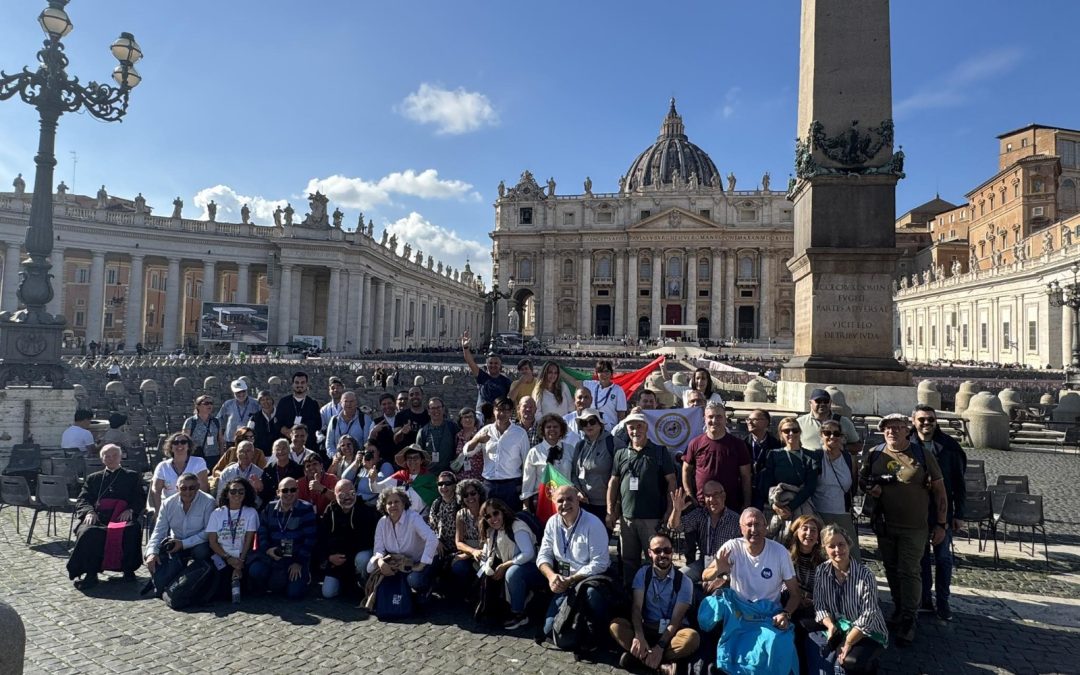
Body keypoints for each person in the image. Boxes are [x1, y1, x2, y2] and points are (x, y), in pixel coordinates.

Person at [859, 413, 947, 647]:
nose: (892, 431)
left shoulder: (922, 455)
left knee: (909, 570)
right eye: (888, 428)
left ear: (907, 430)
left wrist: (941, 523)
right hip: (885, 524)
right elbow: (863, 481)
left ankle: (910, 616)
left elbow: (939, 491)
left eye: (898, 427)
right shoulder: (874, 453)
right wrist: (872, 489)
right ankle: (899, 609)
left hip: (915, 527)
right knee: (891, 568)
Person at [699, 508, 801, 675]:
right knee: (734, 652)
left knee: (775, 643)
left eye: (758, 525)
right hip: (739, 612)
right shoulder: (732, 547)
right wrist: (719, 569)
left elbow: (795, 594)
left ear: (766, 526)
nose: (754, 530)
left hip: (769, 614)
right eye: (749, 525)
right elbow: (705, 575)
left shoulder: (779, 552)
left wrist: (786, 614)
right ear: (741, 528)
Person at [609, 533, 700, 674]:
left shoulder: (684, 581)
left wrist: (661, 646)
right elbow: (637, 609)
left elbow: (676, 620)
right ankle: (661, 665)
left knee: (691, 639)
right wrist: (639, 636)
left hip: (671, 632)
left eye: (667, 550)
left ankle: (641, 657)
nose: (663, 554)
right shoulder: (643, 574)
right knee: (616, 626)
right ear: (650, 553)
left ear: (672, 552)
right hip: (647, 628)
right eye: (658, 551)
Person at [536, 485, 612, 647]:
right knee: (549, 630)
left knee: (592, 594)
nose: (565, 504)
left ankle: (600, 630)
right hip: (564, 582)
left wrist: (572, 579)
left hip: (589, 580)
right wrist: (551, 576)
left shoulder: (593, 524)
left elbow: (600, 563)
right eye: (560, 500)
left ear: (578, 500)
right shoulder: (552, 523)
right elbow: (543, 555)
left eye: (569, 499)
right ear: (554, 503)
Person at [910, 404, 966, 621]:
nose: (926, 423)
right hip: (917, 512)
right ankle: (924, 599)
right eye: (922, 419)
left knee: (943, 558)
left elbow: (960, 484)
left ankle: (943, 601)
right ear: (913, 421)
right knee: (921, 558)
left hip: (943, 512)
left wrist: (959, 514)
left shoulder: (950, 446)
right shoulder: (908, 445)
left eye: (931, 420)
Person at [607, 412, 677, 587]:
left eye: (639, 426)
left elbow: (671, 482)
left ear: (646, 427)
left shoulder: (660, 452)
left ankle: (655, 596)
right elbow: (613, 483)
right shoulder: (621, 454)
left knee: (654, 560)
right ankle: (631, 598)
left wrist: (670, 511)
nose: (635, 430)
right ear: (626, 429)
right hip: (627, 519)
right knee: (628, 561)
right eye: (631, 427)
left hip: (653, 520)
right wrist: (610, 510)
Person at [811, 524, 889, 673]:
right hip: (841, 627)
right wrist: (829, 625)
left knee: (847, 661)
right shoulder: (821, 571)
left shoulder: (865, 575)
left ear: (848, 544)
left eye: (841, 544)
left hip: (868, 631)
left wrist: (847, 642)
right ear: (825, 549)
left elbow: (869, 615)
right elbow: (819, 605)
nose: (837, 550)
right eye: (831, 546)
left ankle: (870, 665)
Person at [67, 444, 147, 589]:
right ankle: (91, 574)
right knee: (88, 532)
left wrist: (131, 510)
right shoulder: (93, 478)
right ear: (102, 459)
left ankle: (128, 571)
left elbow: (140, 497)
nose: (110, 459)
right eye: (107, 456)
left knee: (132, 530)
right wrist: (89, 512)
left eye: (114, 455)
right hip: (99, 518)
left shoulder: (132, 476)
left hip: (122, 517)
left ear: (121, 456)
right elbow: (83, 499)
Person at [144, 472, 215, 597]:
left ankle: (198, 580)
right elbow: (159, 530)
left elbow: (208, 532)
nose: (188, 492)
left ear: (198, 487)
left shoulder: (208, 501)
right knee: (154, 555)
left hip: (198, 543)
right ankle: (165, 578)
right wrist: (151, 552)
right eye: (183, 488)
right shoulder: (167, 503)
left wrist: (183, 544)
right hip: (176, 543)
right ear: (177, 488)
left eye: (192, 488)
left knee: (202, 552)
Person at [478, 497, 545, 629]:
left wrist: (505, 565)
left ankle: (519, 614)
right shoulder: (492, 531)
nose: (493, 518)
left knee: (512, 573)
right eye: (488, 516)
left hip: (534, 567)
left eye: (495, 513)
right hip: (513, 564)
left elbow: (528, 553)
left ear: (503, 511)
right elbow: (488, 553)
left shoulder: (517, 526)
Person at [368, 486, 441, 603]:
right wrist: (380, 561)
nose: (393, 505)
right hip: (401, 564)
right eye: (389, 503)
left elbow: (432, 539)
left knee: (414, 580)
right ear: (384, 507)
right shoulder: (382, 523)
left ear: (403, 503)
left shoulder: (413, 518)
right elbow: (378, 549)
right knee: (371, 568)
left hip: (424, 560)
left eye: (396, 501)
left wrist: (421, 564)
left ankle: (428, 587)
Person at [249, 477, 317, 600]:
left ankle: (304, 577)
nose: (289, 493)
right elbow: (262, 532)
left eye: (292, 490)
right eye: (285, 490)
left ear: (297, 491)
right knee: (255, 570)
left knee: (294, 594)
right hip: (273, 557)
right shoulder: (269, 508)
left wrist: (299, 562)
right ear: (278, 492)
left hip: (295, 558)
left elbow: (310, 539)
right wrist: (267, 549)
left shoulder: (306, 509)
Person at [684, 401, 752, 514]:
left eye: (719, 417)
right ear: (704, 419)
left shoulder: (738, 444)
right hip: (702, 505)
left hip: (730, 505)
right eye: (710, 417)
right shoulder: (695, 443)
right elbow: (686, 470)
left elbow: (746, 476)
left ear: (725, 419)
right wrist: (690, 495)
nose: (714, 421)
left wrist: (747, 503)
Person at [464, 396, 530, 511]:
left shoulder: (520, 433)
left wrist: (525, 492)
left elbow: (527, 464)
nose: (501, 413)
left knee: (511, 520)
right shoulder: (486, 430)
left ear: (511, 412)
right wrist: (477, 440)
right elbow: (467, 452)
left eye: (506, 410)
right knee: (489, 520)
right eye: (498, 409)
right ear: (494, 411)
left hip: (511, 485)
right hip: (489, 485)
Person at [667, 482, 740, 586]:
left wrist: (725, 578)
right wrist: (676, 510)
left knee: (717, 594)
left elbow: (744, 555)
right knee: (676, 579)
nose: (711, 499)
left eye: (715, 495)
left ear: (723, 496)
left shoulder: (735, 520)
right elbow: (674, 527)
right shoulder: (700, 514)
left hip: (727, 567)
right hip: (703, 562)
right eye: (708, 496)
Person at [319, 479, 380, 601]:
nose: (348, 498)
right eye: (342, 495)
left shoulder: (366, 510)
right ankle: (345, 586)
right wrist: (329, 557)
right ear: (335, 495)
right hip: (336, 561)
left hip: (356, 557)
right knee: (327, 592)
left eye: (351, 493)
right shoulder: (330, 511)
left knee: (362, 558)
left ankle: (365, 585)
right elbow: (321, 538)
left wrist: (347, 555)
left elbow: (367, 541)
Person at [762, 417, 820, 541]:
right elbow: (767, 482)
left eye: (794, 430)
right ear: (781, 434)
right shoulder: (774, 455)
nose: (791, 434)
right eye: (786, 431)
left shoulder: (811, 456)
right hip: (778, 504)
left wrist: (790, 507)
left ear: (800, 432)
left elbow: (811, 486)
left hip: (801, 505)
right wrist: (775, 506)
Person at [206, 478, 259, 602]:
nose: (237, 495)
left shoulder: (251, 512)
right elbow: (212, 542)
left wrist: (239, 563)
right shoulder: (216, 514)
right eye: (233, 491)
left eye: (241, 492)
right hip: (223, 556)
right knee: (222, 592)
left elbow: (248, 540)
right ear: (227, 494)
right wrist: (228, 558)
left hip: (243, 557)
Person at [815, 419, 860, 561]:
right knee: (823, 557)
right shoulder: (815, 457)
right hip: (819, 513)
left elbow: (853, 487)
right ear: (821, 435)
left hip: (843, 513)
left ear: (842, 437)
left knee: (852, 556)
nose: (832, 437)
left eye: (836, 433)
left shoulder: (849, 459)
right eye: (827, 433)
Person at [788, 514, 827, 664]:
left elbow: (827, 587)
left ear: (818, 536)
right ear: (796, 531)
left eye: (813, 530)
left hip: (815, 606)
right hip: (790, 601)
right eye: (805, 529)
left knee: (802, 627)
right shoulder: (785, 555)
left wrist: (812, 600)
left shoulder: (824, 559)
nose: (809, 534)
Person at [521, 413, 576, 511]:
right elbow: (528, 482)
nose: (552, 429)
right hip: (542, 500)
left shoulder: (570, 450)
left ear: (561, 430)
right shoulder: (534, 452)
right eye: (548, 427)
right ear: (543, 430)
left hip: (567, 500)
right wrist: (526, 506)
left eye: (555, 427)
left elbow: (574, 476)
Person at [570, 408, 616, 523]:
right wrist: (578, 491)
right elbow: (573, 473)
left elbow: (619, 476)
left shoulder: (613, 443)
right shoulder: (580, 445)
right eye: (584, 423)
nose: (588, 425)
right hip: (583, 504)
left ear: (600, 424)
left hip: (606, 506)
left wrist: (615, 506)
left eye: (592, 421)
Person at [366, 444, 437, 512]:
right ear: (406, 461)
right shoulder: (400, 476)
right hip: (402, 521)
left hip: (422, 521)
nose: (412, 460)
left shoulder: (430, 479)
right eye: (409, 458)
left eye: (416, 457)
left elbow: (435, 502)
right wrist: (372, 480)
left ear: (421, 460)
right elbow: (376, 488)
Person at [151, 433, 210, 511]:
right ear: (171, 447)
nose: (179, 445)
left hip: (193, 506)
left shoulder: (199, 462)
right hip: (169, 508)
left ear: (188, 446)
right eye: (175, 443)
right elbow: (156, 490)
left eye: (183, 442)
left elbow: (203, 487)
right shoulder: (162, 466)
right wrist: (158, 512)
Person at [795, 389, 860, 457]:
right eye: (818, 401)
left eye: (826, 401)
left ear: (830, 403)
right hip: (809, 464)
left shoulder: (844, 422)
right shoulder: (799, 423)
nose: (822, 404)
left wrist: (842, 447)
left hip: (835, 463)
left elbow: (858, 446)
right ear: (810, 403)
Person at [450, 479, 487, 591]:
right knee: (459, 567)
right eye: (465, 495)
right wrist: (472, 552)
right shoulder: (461, 514)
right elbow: (459, 542)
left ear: (479, 493)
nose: (470, 497)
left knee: (485, 572)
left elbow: (491, 540)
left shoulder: (487, 511)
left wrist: (476, 552)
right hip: (470, 551)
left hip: (487, 552)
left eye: (473, 493)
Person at [742, 409, 783, 510]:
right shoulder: (742, 444)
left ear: (766, 422)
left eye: (754, 419)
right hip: (747, 493)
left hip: (768, 494)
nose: (749, 422)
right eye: (748, 419)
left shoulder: (777, 445)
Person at [274, 371, 321, 453]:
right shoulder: (284, 402)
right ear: (292, 384)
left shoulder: (313, 403)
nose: (299, 385)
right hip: (287, 446)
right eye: (297, 382)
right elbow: (277, 422)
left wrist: (300, 435)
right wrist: (286, 431)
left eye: (302, 382)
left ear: (307, 384)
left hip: (307, 446)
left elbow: (317, 424)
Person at [462, 331, 512, 406]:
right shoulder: (482, 376)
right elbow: (470, 361)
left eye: (496, 363)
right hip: (482, 413)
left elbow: (511, 398)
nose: (493, 365)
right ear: (486, 364)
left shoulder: (506, 381)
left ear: (500, 365)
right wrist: (465, 348)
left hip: (497, 413)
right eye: (490, 363)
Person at [416, 397, 458, 475]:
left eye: (438, 407)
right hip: (429, 474)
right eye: (433, 408)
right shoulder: (423, 432)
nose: (436, 410)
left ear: (443, 409)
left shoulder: (453, 427)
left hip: (449, 473)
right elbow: (419, 455)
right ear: (428, 411)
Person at [183, 394, 225, 469]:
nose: (209, 405)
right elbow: (185, 440)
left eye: (211, 403)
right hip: (197, 456)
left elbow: (220, 440)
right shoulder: (191, 422)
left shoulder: (216, 421)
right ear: (198, 406)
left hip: (214, 456)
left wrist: (222, 456)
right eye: (206, 403)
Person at [583, 359, 627, 430]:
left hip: (609, 430)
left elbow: (621, 415)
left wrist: (619, 432)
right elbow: (573, 382)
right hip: (591, 429)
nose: (604, 375)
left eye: (607, 371)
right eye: (601, 371)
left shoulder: (618, 390)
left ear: (611, 373)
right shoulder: (591, 385)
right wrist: (561, 371)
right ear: (597, 373)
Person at [325, 391, 369, 460]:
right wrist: (335, 457)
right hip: (338, 461)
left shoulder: (364, 419)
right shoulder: (334, 420)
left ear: (356, 403)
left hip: (357, 460)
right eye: (346, 401)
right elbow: (329, 443)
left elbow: (367, 442)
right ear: (341, 403)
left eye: (351, 401)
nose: (349, 404)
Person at [426, 471, 461, 558]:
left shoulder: (461, 503)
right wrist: (436, 541)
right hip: (440, 548)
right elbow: (431, 526)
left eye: (447, 483)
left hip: (459, 549)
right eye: (440, 484)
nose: (443, 487)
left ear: (454, 485)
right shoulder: (436, 503)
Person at [260, 438, 304, 506]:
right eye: (277, 449)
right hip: (273, 504)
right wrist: (259, 487)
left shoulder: (298, 469)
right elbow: (264, 493)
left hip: (293, 503)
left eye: (283, 448)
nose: (280, 451)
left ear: (289, 450)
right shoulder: (268, 469)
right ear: (273, 452)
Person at [393, 386, 431, 450]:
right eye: (411, 395)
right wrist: (402, 431)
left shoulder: (430, 415)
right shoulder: (400, 416)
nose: (414, 396)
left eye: (417, 394)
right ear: (409, 398)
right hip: (407, 454)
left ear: (422, 396)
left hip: (425, 454)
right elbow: (395, 439)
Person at [453, 407, 484, 480]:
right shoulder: (457, 436)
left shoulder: (481, 435)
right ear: (460, 420)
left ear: (475, 419)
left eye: (470, 417)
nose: (468, 419)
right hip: (461, 478)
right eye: (465, 417)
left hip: (478, 478)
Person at [368, 393, 399, 461]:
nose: (387, 406)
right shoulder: (375, 423)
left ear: (394, 403)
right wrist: (373, 433)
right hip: (384, 461)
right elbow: (369, 445)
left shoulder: (403, 418)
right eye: (384, 404)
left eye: (389, 403)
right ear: (380, 406)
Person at [250, 389, 279, 456]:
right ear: (259, 402)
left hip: (279, 453)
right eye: (262, 400)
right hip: (260, 455)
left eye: (268, 399)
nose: (265, 401)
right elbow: (249, 433)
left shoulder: (281, 415)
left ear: (272, 400)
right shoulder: (254, 418)